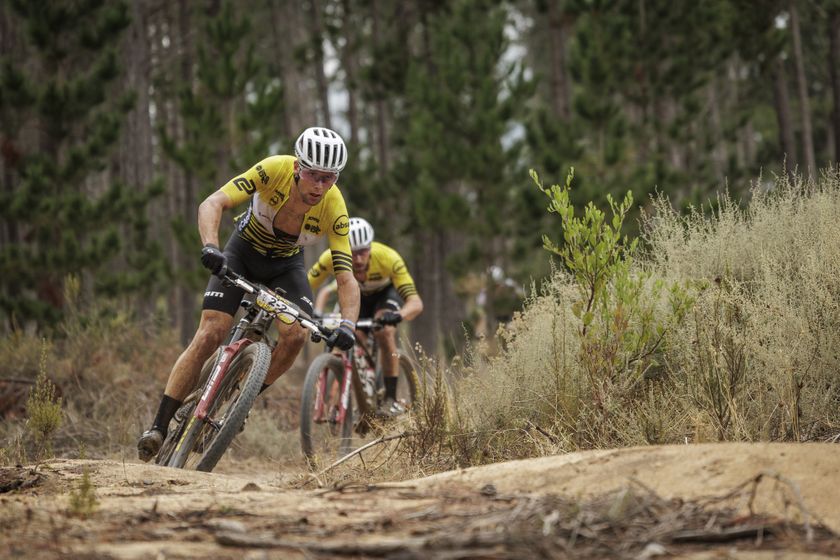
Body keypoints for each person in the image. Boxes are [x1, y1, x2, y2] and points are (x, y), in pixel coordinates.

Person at [137, 127, 360, 462]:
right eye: (314, 175)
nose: (319, 186)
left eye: (329, 178)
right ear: (298, 167)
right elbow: (213, 202)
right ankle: (159, 426)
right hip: (243, 253)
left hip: (286, 267)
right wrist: (211, 247)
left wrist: (348, 325)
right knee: (211, 332)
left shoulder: (335, 207)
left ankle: (241, 404)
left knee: (297, 334)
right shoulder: (274, 169)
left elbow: (345, 277)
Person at [308, 217, 423, 417]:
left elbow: (416, 303)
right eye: (352, 253)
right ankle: (359, 394)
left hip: (383, 297)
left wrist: (398, 315)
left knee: (384, 331)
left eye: (363, 251)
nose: (358, 260)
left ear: (371, 246)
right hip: (357, 299)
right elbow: (306, 285)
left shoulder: (389, 258)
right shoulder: (330, 258)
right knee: (352, 338)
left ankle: (390, 398)